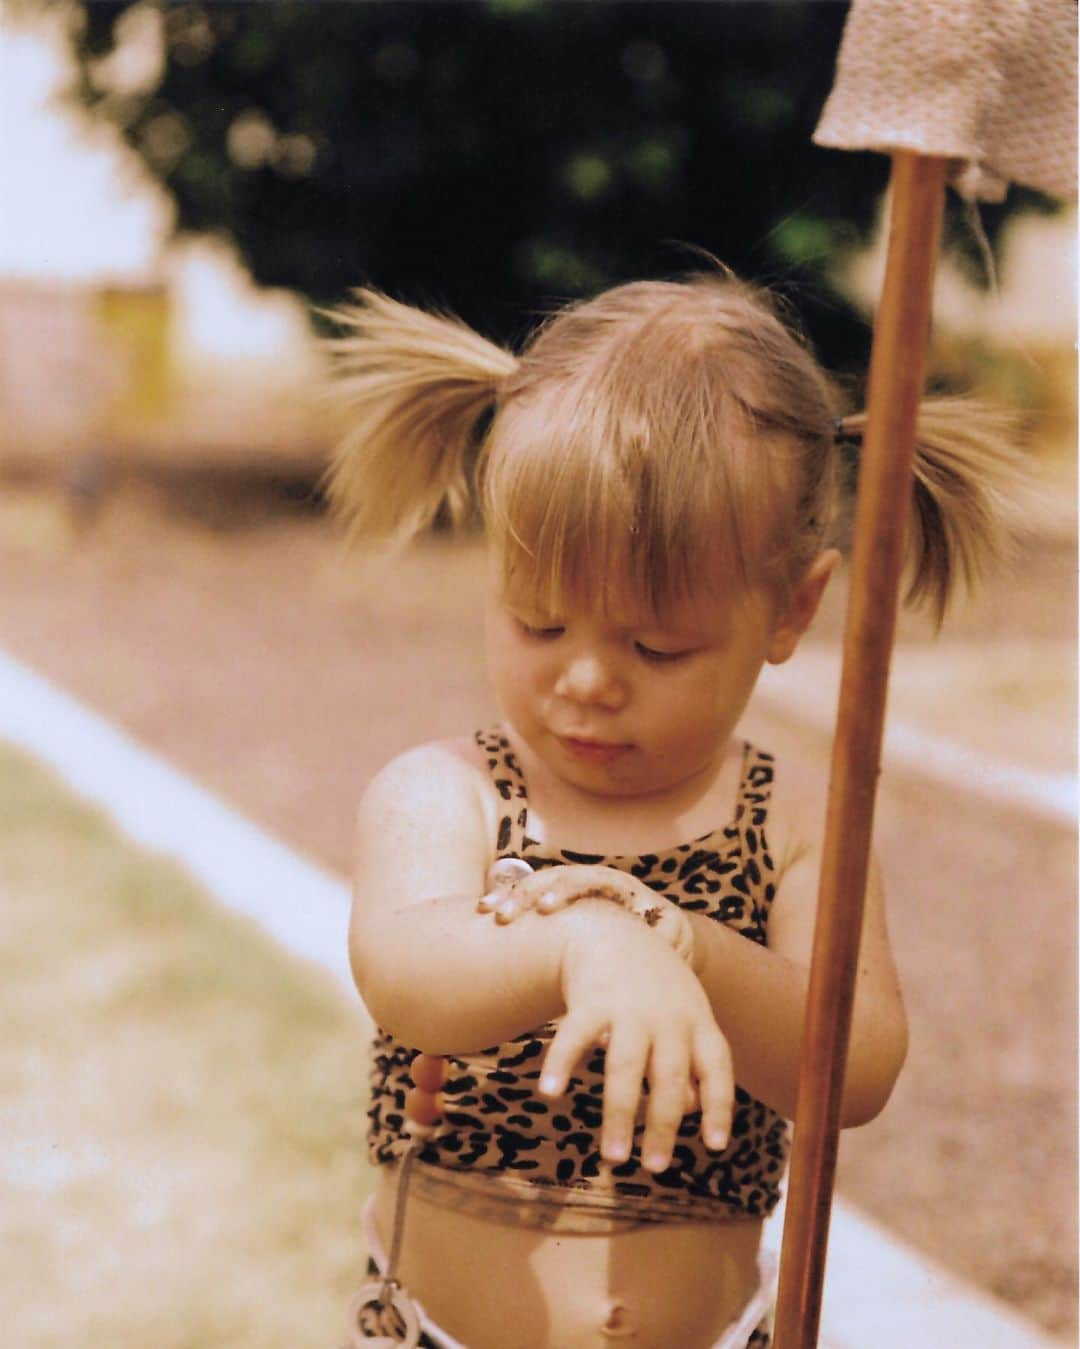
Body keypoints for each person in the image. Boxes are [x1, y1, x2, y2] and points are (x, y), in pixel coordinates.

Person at [325, 272, 1017, 1348]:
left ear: (792, 608)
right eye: (538, 622)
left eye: (656, 645)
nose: (589, 678)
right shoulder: (449, 792)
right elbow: (411, 980)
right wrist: (585, 939)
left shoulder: (792, 820)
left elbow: (857, 1068)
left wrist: (679, 942)